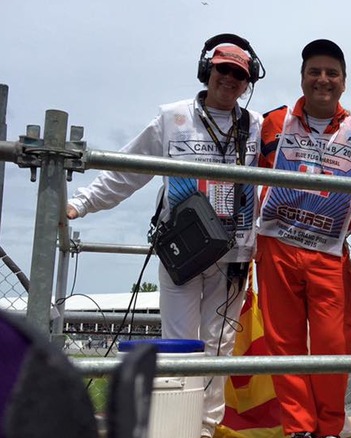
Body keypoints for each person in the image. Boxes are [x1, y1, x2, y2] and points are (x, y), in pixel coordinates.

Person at [65, 35, 263, 438]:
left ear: (248, 82)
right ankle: (178, 427)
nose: (229, 79)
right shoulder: (172, 118)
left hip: (235, 256)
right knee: (178, 344)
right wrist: (80, 203)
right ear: (207, 71)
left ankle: (205, 428)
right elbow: (128, 170)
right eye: (223, 69)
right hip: (183, 252)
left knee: (219, 346)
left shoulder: (256, 125)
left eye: (239, 75)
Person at [254, 39, 351, 438]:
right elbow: (243, 178)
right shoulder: (271, 121)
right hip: (277, 246)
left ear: (344, 81)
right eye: (314, 71)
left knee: (334, 343)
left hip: (329, 250)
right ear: (302, 77)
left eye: (331, 73)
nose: (323, 79)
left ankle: (329, 429)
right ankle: (298, 429)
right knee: (282, 342)